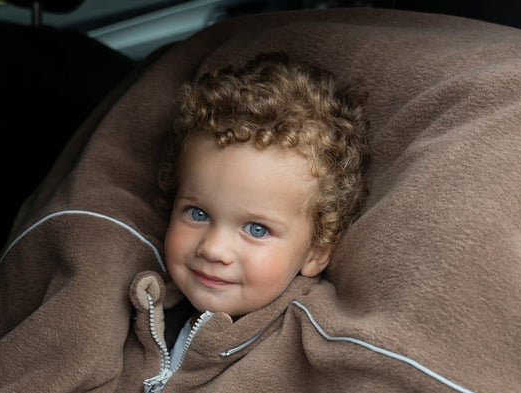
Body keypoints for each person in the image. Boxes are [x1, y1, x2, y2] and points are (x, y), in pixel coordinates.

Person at [155, 52, 371, 353]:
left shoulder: (300, 350)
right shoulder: (146, 307)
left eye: (256, 229)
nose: (214, 249)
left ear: (316, 251)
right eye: (197, 213)